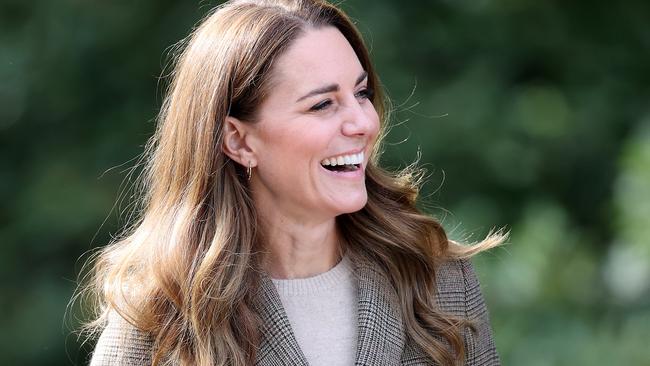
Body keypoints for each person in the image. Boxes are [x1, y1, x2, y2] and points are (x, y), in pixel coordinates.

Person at [82, 0, 506, 365]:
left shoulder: (440, 282)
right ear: (238, 140)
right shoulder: (160, 318)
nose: (363, 122)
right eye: (323, 104)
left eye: (361, 93)